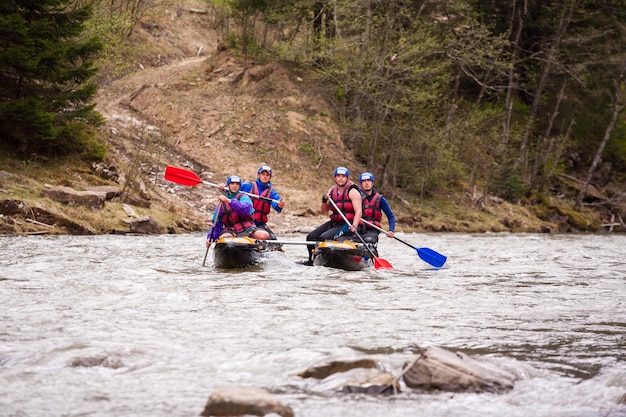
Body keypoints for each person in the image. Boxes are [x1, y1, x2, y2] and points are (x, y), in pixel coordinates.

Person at [305, 166, 362, 265]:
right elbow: (324, 210)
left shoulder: (353, 191)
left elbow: (359, 211)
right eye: (338, 176)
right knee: (310, 237)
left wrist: (355, 225)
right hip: (334, 222)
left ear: (347, 178)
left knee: (323, 238)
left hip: (347, 224)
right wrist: (324, 201)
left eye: (343, 176)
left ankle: (323, 257)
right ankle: (312, 259)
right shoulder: (331, 191)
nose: (340, 178)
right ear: (335, 178)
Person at [206, 175, 269, 246]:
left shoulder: (244, 197)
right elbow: (216, 224)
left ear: (239, 186)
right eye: (232, 183)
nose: (234, 186)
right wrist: (210, 237)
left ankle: (259, 248)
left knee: (264, 235)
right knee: (226, 239)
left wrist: (229, 201)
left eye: (237, 184)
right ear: (228, 185)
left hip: (247, 227)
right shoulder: (221, 203)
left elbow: (244, 210)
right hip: (230, 229)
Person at [240, 165, 285, 240]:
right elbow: (233, 189)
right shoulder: (248, 186)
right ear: (258, 175)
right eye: (263, 174)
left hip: (259, 224)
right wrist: (223, 187)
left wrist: (279, 205)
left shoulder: (272, 193)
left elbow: (276, 204)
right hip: (245, 222)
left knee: (273, 238)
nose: (265, 176)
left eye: (267, 175)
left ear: (270, 177)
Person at [358, 172, 395, 245]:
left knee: (369, 241)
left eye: (368, 181)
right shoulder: (356, 197)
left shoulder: (380, 199)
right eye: (364, 181)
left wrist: (391, 230)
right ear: (361, 184)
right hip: (358, 228)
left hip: (372, 230)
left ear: (372, 183)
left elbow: (391, 216)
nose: (366, 183)